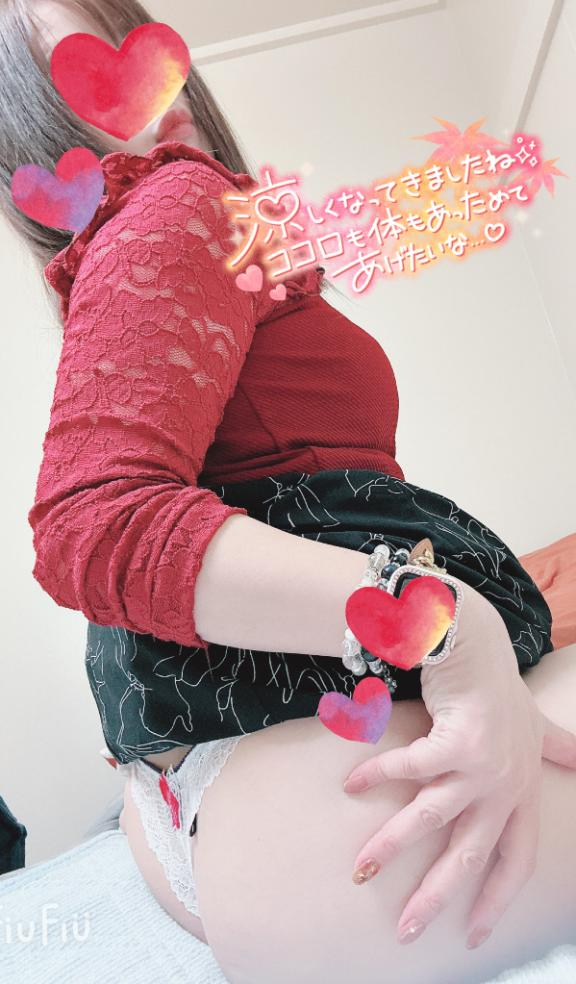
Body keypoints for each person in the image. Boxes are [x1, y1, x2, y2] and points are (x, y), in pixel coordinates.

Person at [2, 1, 575, 981]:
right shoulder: (182, 201)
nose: (154, 81)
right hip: (331, 809)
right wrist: (446, 624)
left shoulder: (171, 254)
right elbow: (94, 525)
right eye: (85, 76)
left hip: (227, 819)